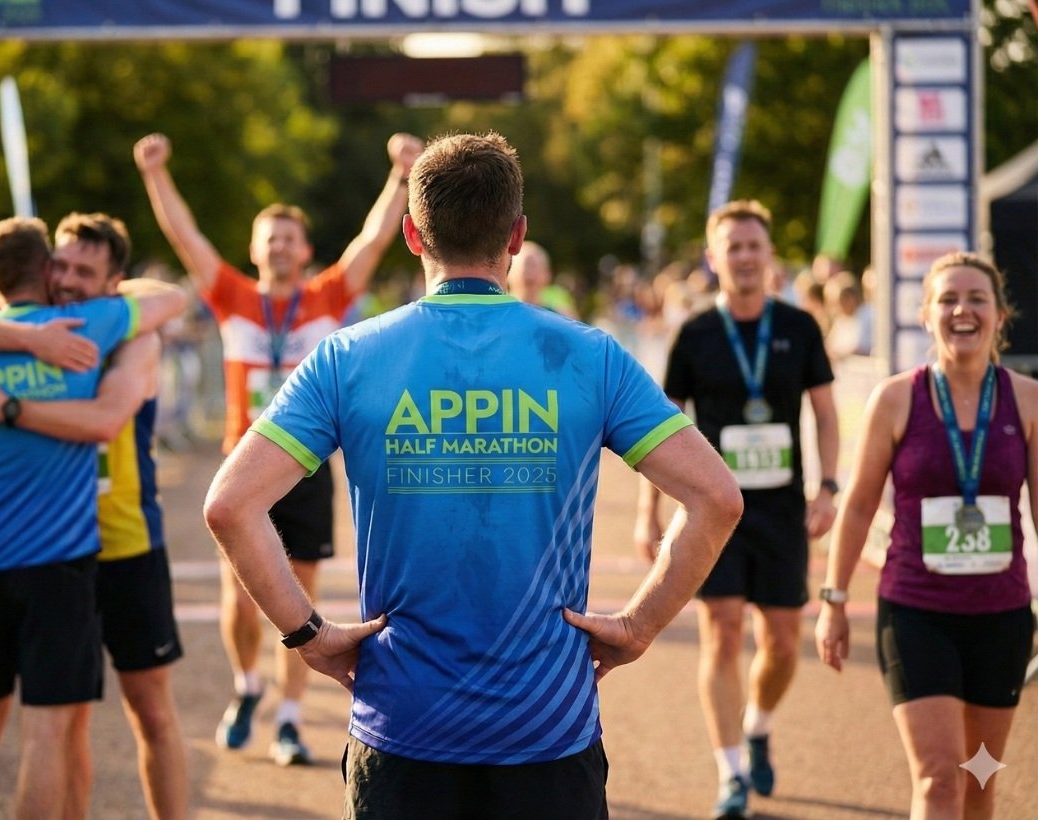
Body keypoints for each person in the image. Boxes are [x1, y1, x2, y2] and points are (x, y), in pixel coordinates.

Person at [202, 131, 743, 818]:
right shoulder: (589, 355)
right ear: (516, 235)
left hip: (402, 726)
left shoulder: (348, 356)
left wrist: (308, 636)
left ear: (411, 235)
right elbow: (717, 498)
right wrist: (640, 625)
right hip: (548, 727)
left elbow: (230, 506)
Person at [135, 129, 424, 766]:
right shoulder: (231, 296)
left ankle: (290, 719)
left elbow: (373, 240)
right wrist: (155, 174)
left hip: (308, 468)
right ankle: (247, 687)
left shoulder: (326, 297)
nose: (280, 247)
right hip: (246, 466)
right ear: (255, 249)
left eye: (290, 238)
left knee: (301, 598)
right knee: (240, 601)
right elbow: (186, 238)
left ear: (305, 250)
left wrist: (399, 176)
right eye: (271, 238)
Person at [0, 212, 191, 820]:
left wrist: (10, 406)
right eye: (61, 265)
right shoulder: (15, 328)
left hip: (122, 544)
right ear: (44, 267)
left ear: (115, 283)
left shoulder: (130, 334)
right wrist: (34, 340)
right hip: (60, 555)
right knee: (63, 726)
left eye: (84, 271)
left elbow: (107, 419)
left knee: (151, 712)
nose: (68, 280)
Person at [634, 200, 840, 819]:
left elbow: (827, 414)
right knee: (721, 631)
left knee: (782, 643)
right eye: (734, 247)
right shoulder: (695, 334)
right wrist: (648, 511)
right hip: (712, 511)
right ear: (713, 257)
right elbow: (660, 430)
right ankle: (730, 773)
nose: (745, 257)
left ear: (768, 255)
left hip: (782, 512)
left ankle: (758, 725)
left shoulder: (800, 327)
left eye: (754, 246)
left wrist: (829, 488)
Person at [815, 252, 1036, 819]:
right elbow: (859, 507)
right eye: (948, 299)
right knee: (939, 778)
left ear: (1000, 314)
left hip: (1002, 617)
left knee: (980, 781)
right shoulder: (896, 398)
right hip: (917, 612)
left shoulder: (1027, 399)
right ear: (926, 314)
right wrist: (834, 601)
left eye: (977, 299)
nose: (962, 310)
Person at [507, 240, 578, 318]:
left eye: (534, 266)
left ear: (547, 274)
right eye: (526, 265)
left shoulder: (559, 317)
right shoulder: (500, 313)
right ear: (508, 272)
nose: (530, 273)